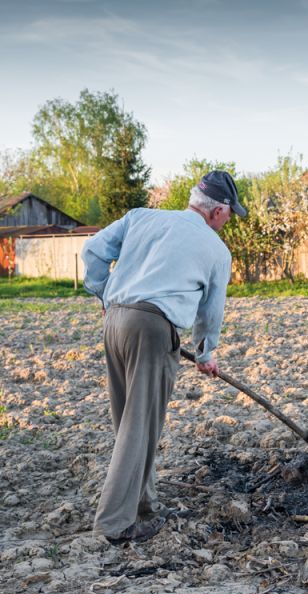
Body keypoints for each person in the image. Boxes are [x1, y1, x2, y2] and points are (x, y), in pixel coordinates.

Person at [82, 171, 247, 543]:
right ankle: (115, 524)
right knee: (140, 425)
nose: (229, 219)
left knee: (127, 420)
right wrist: (206, 353)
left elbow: (91, 250)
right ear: (218, 211)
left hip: (116, 320)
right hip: (153, 329)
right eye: (230, 213)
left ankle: (145, 505)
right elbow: (210, 312)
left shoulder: (141, 216)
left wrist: (103, 295)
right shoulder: (217, 250)